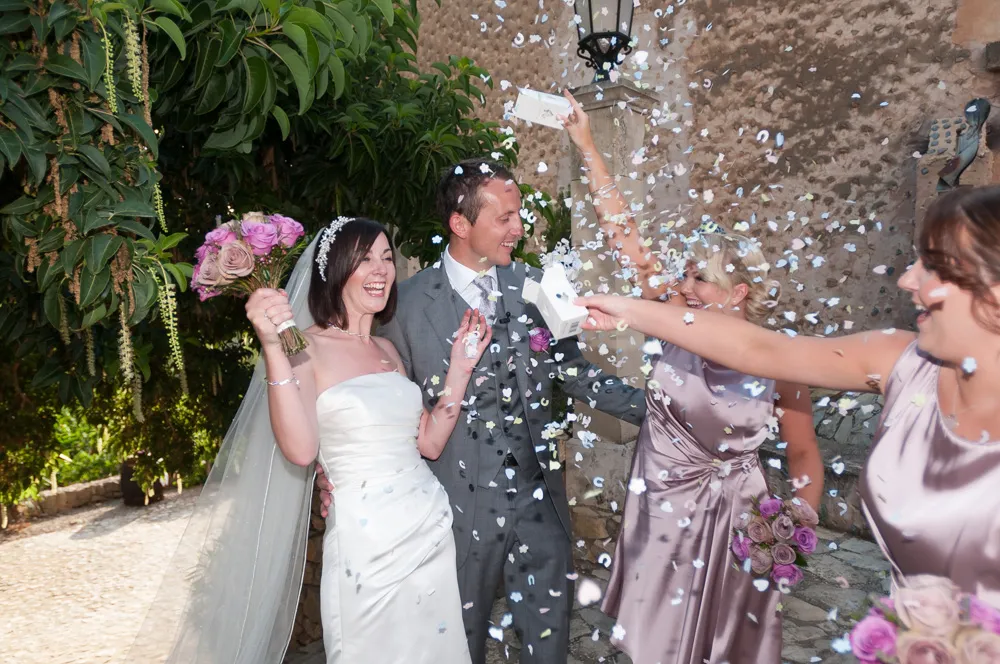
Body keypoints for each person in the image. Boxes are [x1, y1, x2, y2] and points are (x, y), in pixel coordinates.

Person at [576, 185, 1000, 610]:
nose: (908, 279)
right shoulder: (899, 359)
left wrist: (790, 530)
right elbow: (757, 350)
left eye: (934, 266)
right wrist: (625, 308)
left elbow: (803, 449)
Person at [324, 160, 647, 664]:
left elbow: (580, 375)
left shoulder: (540, 286)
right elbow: (381, 405)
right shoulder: (404, 307)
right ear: (460, 224)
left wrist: (666, 411)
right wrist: (334, 473)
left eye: (520, 215)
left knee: (549, 642)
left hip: (540, 502)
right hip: (451, 510)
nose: (520, 228)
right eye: (506, 218)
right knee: (458, 642)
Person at [129, 218, 490, 664]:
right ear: (335, 270)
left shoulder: (388, 352)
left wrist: (461, 368)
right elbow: (300, 450)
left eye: (386, 258)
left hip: (428, 531)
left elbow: (429, 444)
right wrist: (272, 347)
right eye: (364, 260)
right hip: (367, 543)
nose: (380, 271)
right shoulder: (305, 348)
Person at [561, 92, 823, 664]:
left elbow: (804, 454)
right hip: (662, 509)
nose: (685, 288)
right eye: (683, 275)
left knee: (731, 645)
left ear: (738, 293)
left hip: (741, 518)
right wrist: (588, 146)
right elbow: (625, 237)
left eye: (700, 278)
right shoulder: (675, 324)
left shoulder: (780, 361)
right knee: (658, 643)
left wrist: (796, 522)